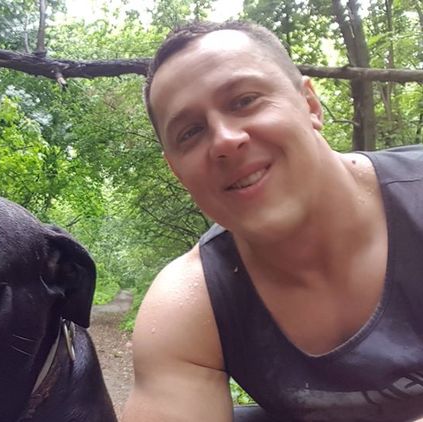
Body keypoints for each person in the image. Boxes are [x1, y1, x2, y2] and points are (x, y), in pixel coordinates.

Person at [121, 20, 423, 422]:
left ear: (310, 105)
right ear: (178, 172)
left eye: (244, 101)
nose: (225, 140)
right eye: (190, 132)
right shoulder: (191, 304)